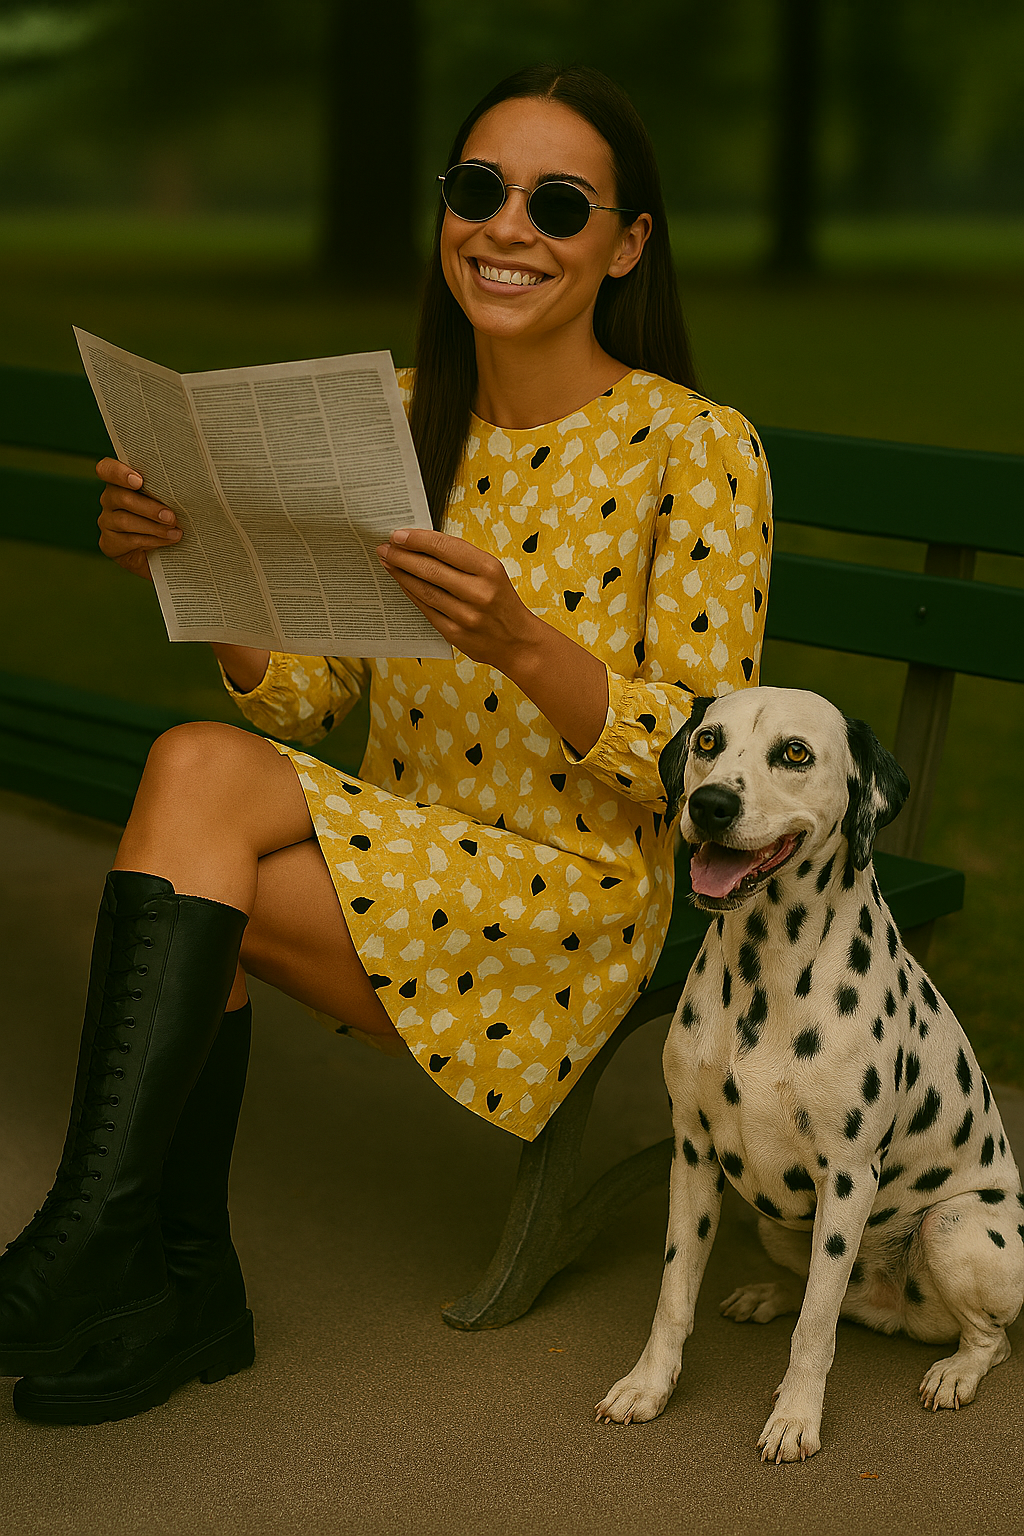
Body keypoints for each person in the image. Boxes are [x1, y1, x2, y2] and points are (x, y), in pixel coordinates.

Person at [0, 63, 772, 1425]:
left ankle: (115, 1260)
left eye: (558, 203)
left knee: (187, 847)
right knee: (195, 789)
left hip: (573, 906)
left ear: (626, 245)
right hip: (409, 858)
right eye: (479, 189)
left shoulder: (696, 447)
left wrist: (522, 643)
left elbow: (710, 765)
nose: (507, 227)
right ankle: (147, 1269)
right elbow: (304, 702)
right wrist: (195, 566)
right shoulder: (401, 420)